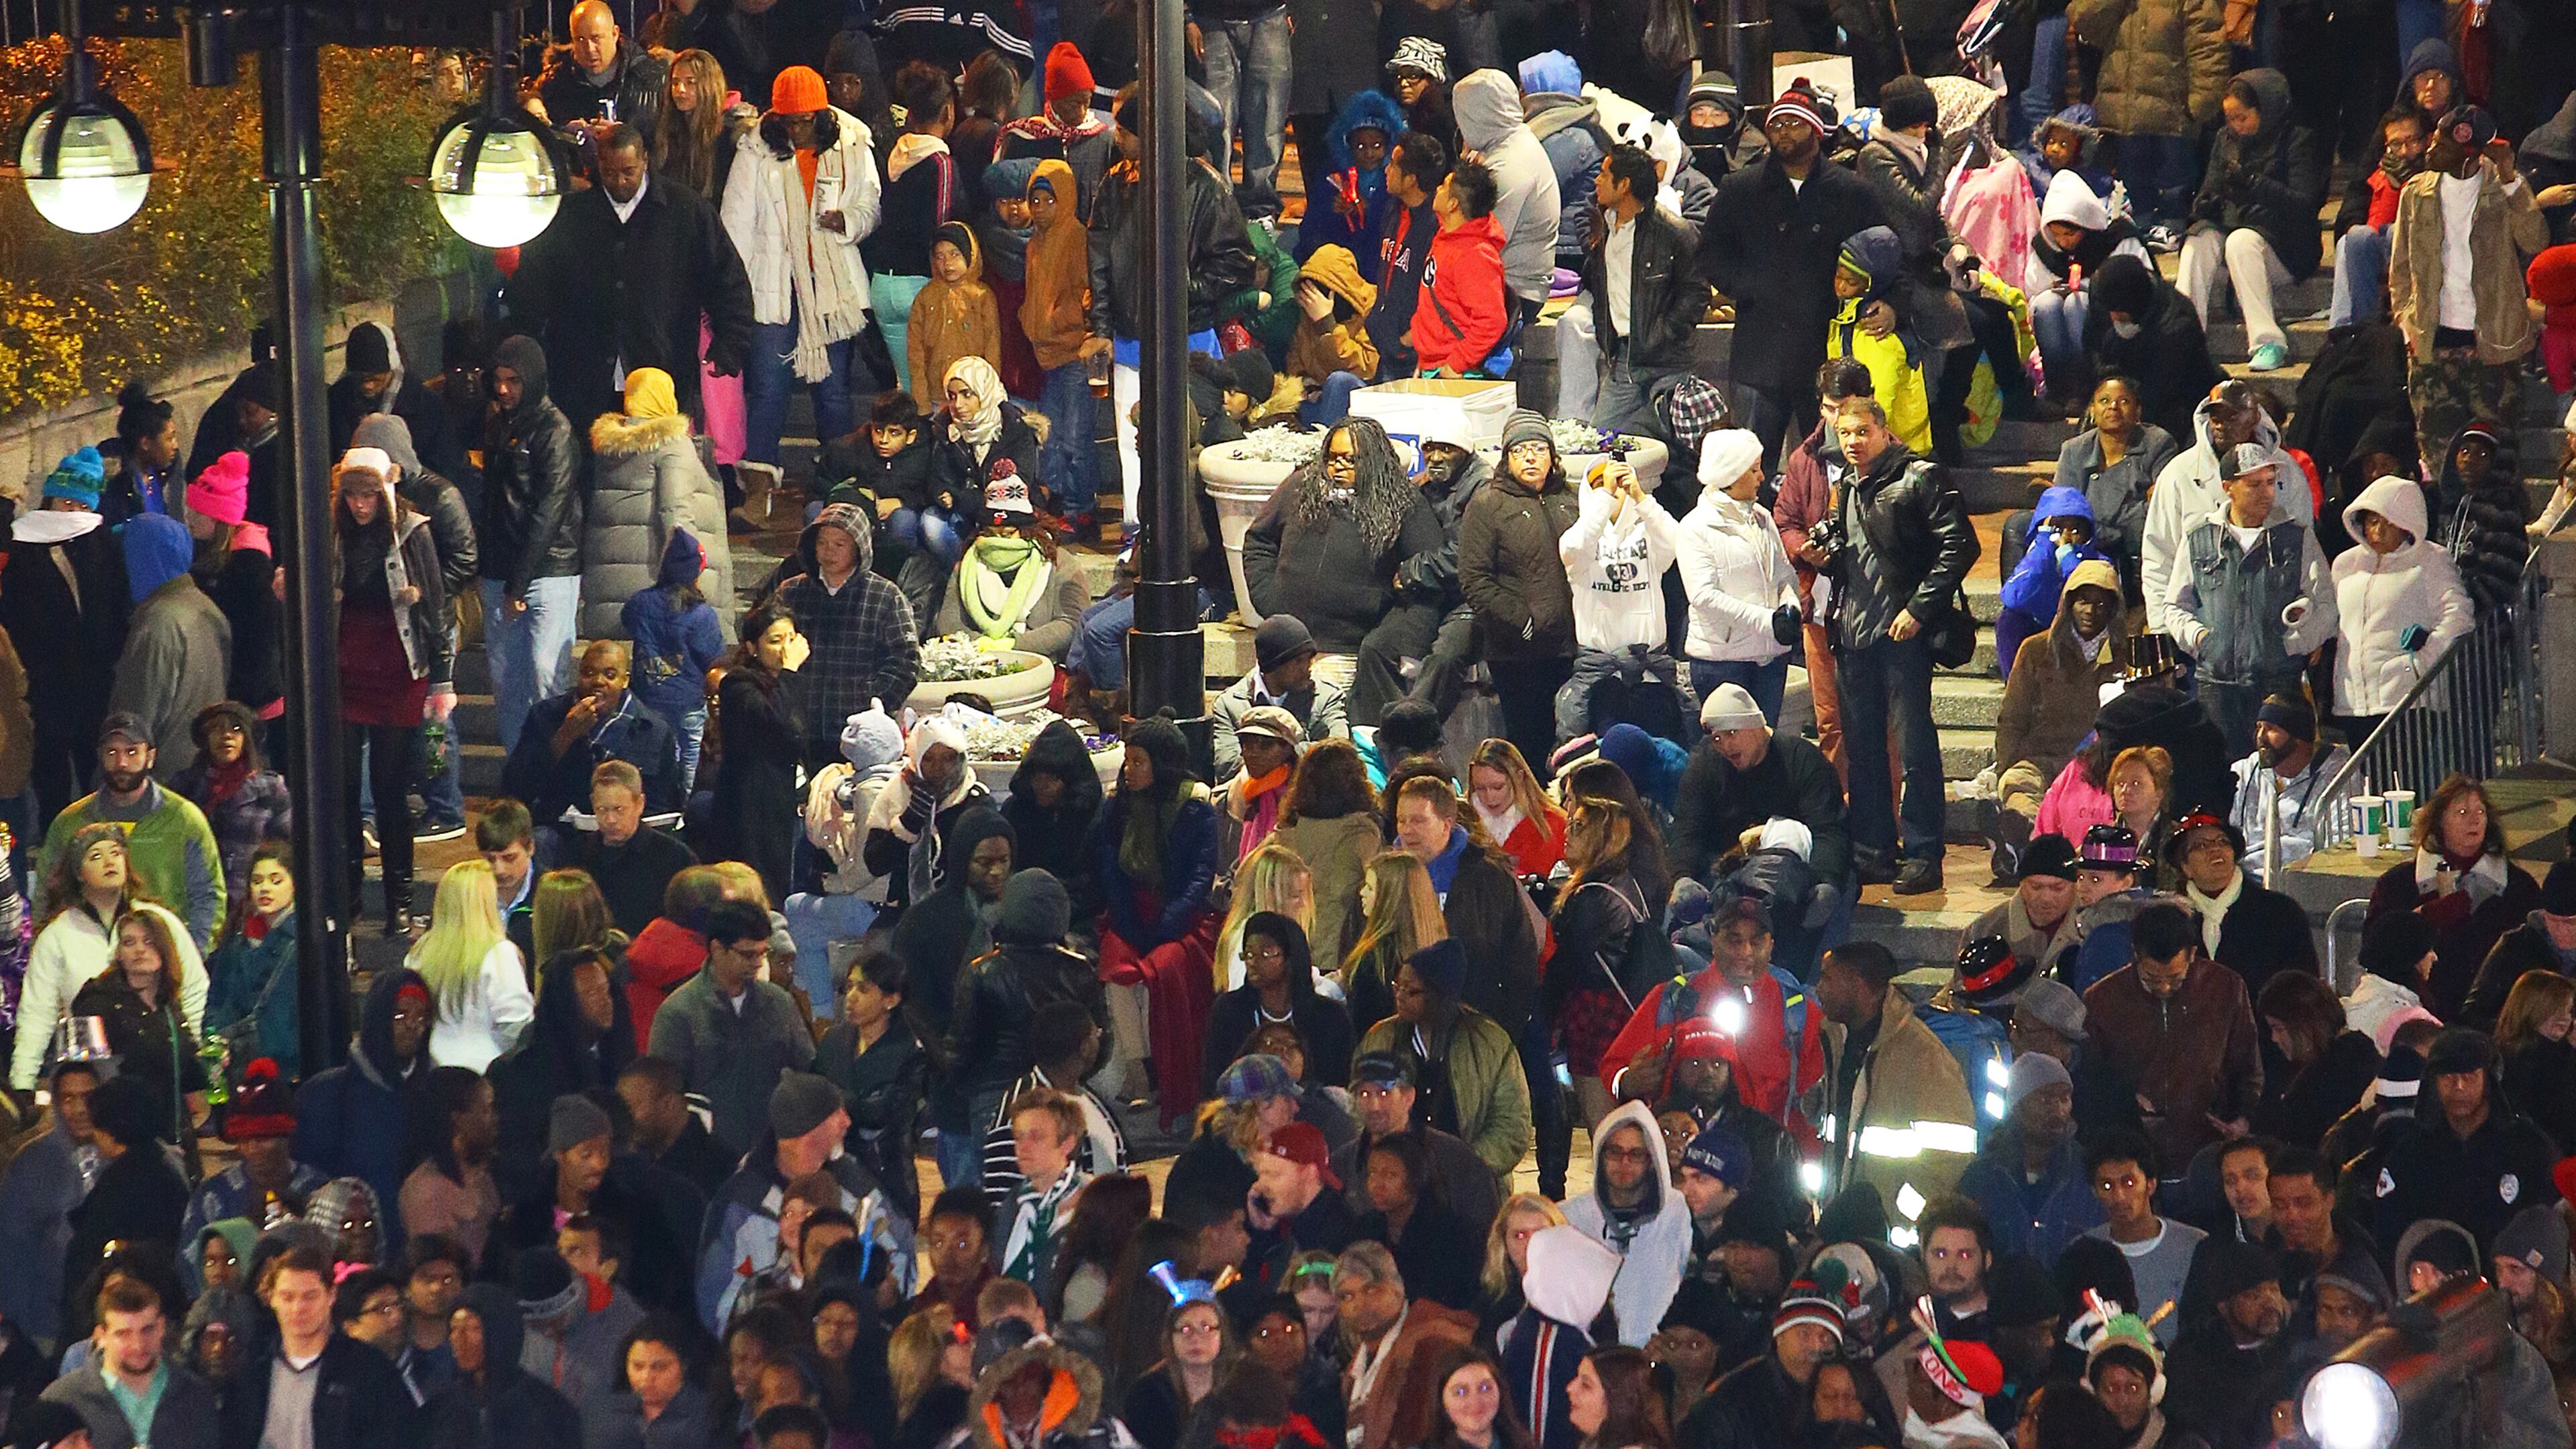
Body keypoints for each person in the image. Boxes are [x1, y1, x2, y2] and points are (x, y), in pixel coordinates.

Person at [1820, 395, 1978, 893]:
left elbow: (1962, 544)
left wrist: (1918, 608)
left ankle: (1925, 850)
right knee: (1863, 748)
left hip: (1901, 633)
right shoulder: (1846, 484)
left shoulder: (1919, 476)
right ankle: (1874, 850)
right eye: (1845, 433)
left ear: (1884, 432)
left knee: (1914, 747)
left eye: (1862, 432)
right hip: (1853, 632)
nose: (1852, 442)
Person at [510, 122, 752, 439]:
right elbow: (531, 289)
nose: (620, 182)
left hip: (661, 371)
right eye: (610, 173)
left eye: (629, 172)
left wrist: (730, 346)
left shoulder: (687, 212)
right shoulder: (569, 217)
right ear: (599, 166)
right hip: (581, 375)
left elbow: (728, 282)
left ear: (646, 161)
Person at [720, 67, 879, 504]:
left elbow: (870, 204)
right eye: (789, 120)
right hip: (773, 288)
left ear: (821, 114)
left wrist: (846, 221)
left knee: (832, 392)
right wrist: (735, 289)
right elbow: (735, 226)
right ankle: (758, 490)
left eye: (805, 120)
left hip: (831, 289)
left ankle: (840, 486)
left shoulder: (851, 142)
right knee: (769, 388)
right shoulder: (756, 150)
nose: (797, 129)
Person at [331, 447, 455, 933]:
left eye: (369, 495)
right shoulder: (334, 533)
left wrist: (441, 679)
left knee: (389, 792)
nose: (361, 506)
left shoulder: (411, 531)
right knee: (341, 792)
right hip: (344, 673)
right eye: (352, 496)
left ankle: (399, 899)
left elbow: (437, 609)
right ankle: (349, 897)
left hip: (399, 672)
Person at [2390, 105, 2550, 479]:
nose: (2431, 150)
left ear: (2469, 148)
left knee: (2497, 461)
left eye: (2441, 142)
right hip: (2432, 342)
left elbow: (2536, 238)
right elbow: (2399, 267)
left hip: (2493, 345)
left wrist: (2512, 179)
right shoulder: (2417, 192)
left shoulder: (2501, 188)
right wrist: (2404, 319)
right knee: (2438, 460)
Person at [1097, 718, 1226, 1124]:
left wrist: (1167, 925)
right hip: (1134, 911)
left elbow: (1200, 876)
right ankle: (1141, 1073)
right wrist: (1130, 923)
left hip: (1182, 917)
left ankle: (1168, 1076)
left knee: (1163, 970)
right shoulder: (1117, 806)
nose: (1130, 769)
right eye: (1128, 761)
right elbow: (1112, 871)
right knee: (1117, 967)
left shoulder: (1194, 809)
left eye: (1139, 761)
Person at [15, 824, 207, 1091]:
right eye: (96, 856)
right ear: (79, 873)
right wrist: (22, 1084)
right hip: (91, 1075)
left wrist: (193, 1058)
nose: (109, 862)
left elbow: (195, 990)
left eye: (116, 853)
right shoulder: (57, 935)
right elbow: (36, 1015)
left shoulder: (160, 923)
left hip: (161, 1066)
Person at [2084, 902, 2262, 1179]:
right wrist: (2126, 1101)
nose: (2165, 988)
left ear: (2192, 954)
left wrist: (2243, 1118)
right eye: (2152, 979)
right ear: (2135, 955)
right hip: (2136, 1157)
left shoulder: (2225, 988)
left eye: (2176, 979)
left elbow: (2247, 1066)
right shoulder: (2103, 999)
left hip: (2209, 1151)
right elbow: (2093, 1078)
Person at [5, 451, 129, 821]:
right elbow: (15, 614)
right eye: (65, 501)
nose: (71, 511)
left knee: (96, 769)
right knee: (52, 778)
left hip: (93, 682)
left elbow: (116, 601)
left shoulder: (100, 540)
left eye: (79, 504)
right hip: (47, 686)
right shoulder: (22, 547)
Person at [478, 336, 585, 756]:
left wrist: (518, 584)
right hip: (503, 573)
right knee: (507, 684)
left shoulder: (555, 431)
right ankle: (520, 774)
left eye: (514, 381)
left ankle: (556, 776)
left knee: (548, 680)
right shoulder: (497, 424)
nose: (504, 390)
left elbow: (550, 508)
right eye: (499, 380)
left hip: (550, 571)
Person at [36, 714, 225, 949]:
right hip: (88, 963)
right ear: (100, 756)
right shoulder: (70, 823)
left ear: (151, 757)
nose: (122, 763)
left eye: (132, 752)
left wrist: (189, 958)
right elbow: (46, 895)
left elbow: (208, 895)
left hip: (165, 960)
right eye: (112, 752)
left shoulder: (184, 819)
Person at [1456, 411, 1579, 768]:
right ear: (1506, 458)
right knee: (1529, 746)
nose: (1530, 457)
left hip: (1571, 647)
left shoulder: (1570, 499)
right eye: (1520, 450)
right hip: (1518, 653)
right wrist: (1520, 619)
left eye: (1539, 449)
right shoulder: (1488, 505)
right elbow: (1474, 578)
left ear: (1552, 457)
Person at [2374, 1027, 2564, 1255]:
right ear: (2432, 1083)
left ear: (2489, 1081)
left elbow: (2550, 1229)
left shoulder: (2529, 1148)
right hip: (2434, 1284)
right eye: (2448, 1077)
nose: (2459, 1087)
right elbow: (2389, 1234)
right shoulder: (2409, 1153)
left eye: (2469, 1077)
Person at [647, 899, 814, 1159]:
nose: (758, 963)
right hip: (706, 1158)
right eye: (748, 954)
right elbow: (664, 1096)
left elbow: (808, 1071)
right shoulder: (679, 1013)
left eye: (763, 952)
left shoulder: (779, 1003)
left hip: (772, 1152)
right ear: (717, 948)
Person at [1353, 940, 1532, 1181]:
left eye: (1412, 991)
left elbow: (1511, 1126)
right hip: (1395, 1179)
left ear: (1440, 995)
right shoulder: (1380, 1038)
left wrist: (1462, 1166)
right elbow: (1355, 1109)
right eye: (1397, 987)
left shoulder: (1489, 1043)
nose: (1400, 996)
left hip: (1468, 1182)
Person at [2367, 774, 2543, 1019]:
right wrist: (2426, 918)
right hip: (2418, 1016)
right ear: (2440, 821)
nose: (2474, 820)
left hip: (2494, 1019)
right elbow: (2374, 951)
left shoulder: (2518, 887)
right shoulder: (2399, 884)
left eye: (2480, 812)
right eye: (2462, 812)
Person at [215, 1245, 415, 1449]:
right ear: (271, 1298)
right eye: (288, 1297)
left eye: (310, 1296)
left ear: (331, 1296)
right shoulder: (250, 1371)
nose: (298, 1308)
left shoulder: (370, 1369)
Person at [774, 504, 921, 769]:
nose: (829, 552)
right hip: (798, 728)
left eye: (839, 544)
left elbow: (905, 660)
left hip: (858, 733)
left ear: (859, 547)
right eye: (822, 543)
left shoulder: (885, 596)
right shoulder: (791, 592)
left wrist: (875, 701)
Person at [1672, 432, 1797, 724]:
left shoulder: (1762, 517)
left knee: (1767, 746)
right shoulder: (1695, 527)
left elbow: (1784, 573)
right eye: (1753, 470)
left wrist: (1790, 609)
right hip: (1723, 662)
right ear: (1731, 474)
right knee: (1733, 754)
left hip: (1770, 658)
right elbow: (1703, 596)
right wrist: (1768, 621)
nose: (1762, 477)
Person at [107, 511, 230, 780]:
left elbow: (135, 714)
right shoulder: (206, 608)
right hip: (200, 769)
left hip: (163, 779)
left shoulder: (156, 623)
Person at [1676, 1266, 1855, 1449]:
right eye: (1804, 1333)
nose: (1815, 1346)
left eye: (1825, 1337)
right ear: (1780, 1337)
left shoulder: (1850, 1395)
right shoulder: (1733, 1401)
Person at [706, 602, 812, 906]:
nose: (784, 649)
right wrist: (790, 672)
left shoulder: (793, 681)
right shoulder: (739, 685)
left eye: (791, 639)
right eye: (775, 640)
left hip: (790, 803)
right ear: (753, 647)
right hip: (754, 809)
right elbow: (780, 723)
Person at [42, 1275, 223, 1449]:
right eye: (124, 1334)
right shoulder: (62, 1402)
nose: (138, 1345)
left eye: (147, 1330)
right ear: (101, 1336)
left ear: (162, 1327)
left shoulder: (196, 1397)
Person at [178, 454, 284, 746]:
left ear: (219, 518)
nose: (190, 518)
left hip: (249, 703)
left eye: (198, 512)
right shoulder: (210, 556)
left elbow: (259, 645)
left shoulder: (249, 567)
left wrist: (240, 701)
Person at [1336, 1241, 1478, 1449]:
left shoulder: (1437, 1338)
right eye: (1347, 1296)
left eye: (1371, 1290)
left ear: (1397, 1288)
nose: (1359, 1304)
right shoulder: (1354, 1369)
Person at [930, 480, 1090, 659]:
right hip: (981, 659)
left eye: (1007, 534)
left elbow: (1072, 622)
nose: (999, 541)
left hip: (1044, 662)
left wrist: (1015, 646)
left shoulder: (1059, 563)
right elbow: (949, 622)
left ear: (1027, 530)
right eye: (991, 534)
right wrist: (983, 646)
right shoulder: (966, 566)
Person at [407, 861, 532, 1073]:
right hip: (484, 1074)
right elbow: (516, 1026)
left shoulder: (417, 953)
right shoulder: (499, 953)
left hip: (430, 1070)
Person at [559, 762, 698, 938]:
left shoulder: (675, 859)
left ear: (640, 804)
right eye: (602, 810)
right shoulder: (576, 855)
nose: (610, 819)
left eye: (619, 809)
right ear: (593, 804)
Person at [203, 843, 302, 1075]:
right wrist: (215, 1039)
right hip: (237, 1062)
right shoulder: (238, 937)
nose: (265, 889)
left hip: (283, 1067)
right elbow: (217, 998)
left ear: (295, 884)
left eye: (276, 881)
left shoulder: (302, 942)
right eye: (257, 881)